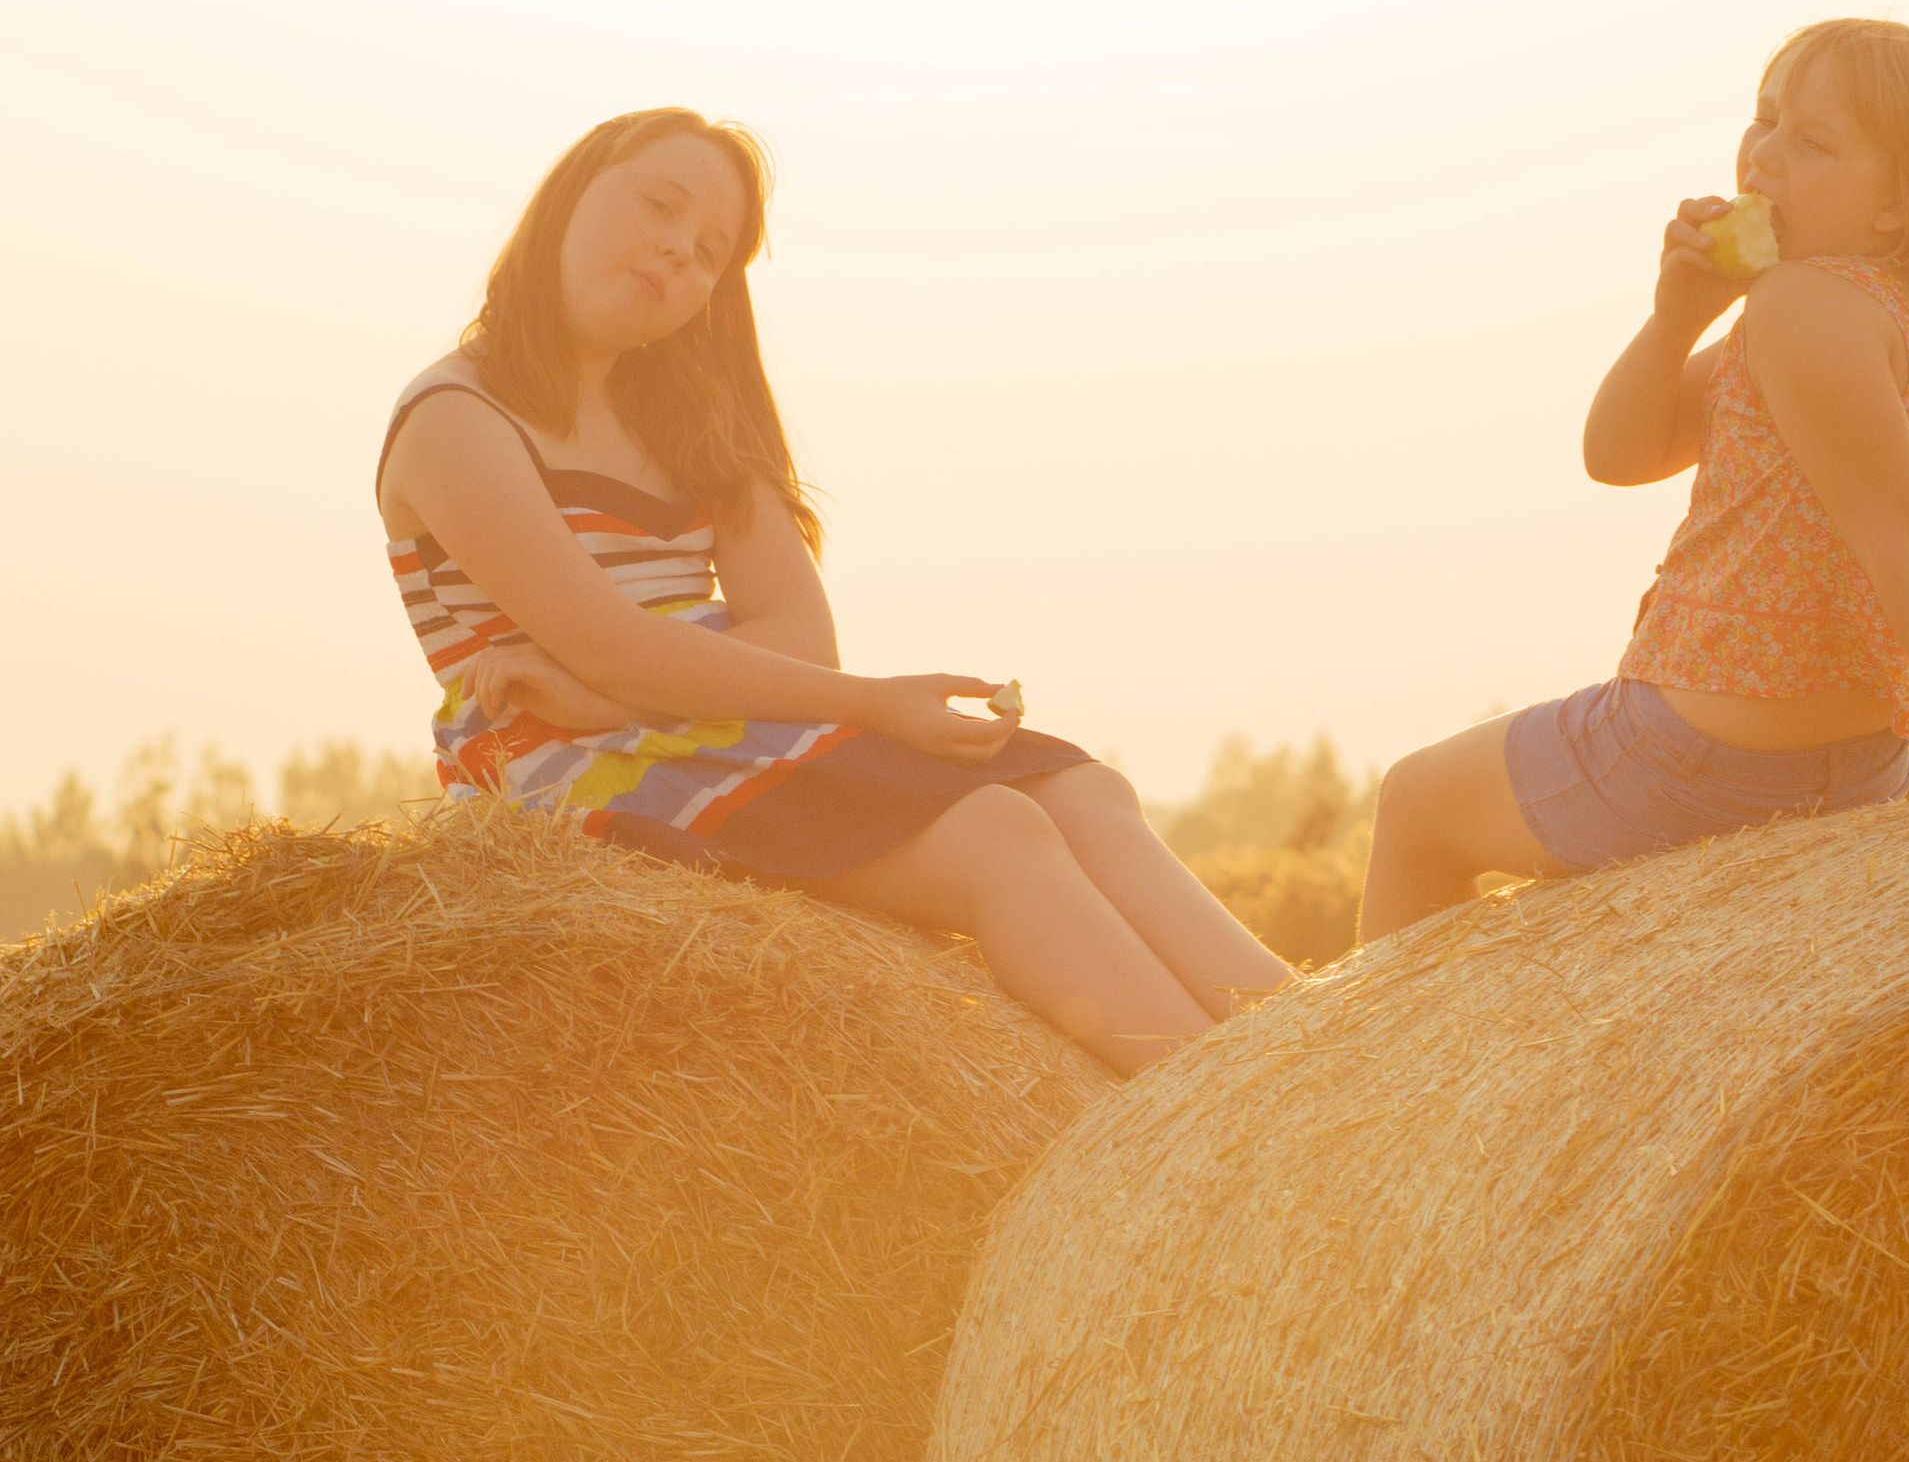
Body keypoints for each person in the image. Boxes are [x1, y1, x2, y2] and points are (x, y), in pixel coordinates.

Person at [377, 107, 1289, 1071]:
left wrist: (625, 690)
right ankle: (1226, 1122)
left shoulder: (692, 424)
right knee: (996, 833)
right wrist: (873, 707)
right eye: (659, 207)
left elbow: (802, 635)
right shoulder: (456, 418)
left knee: (1080, 787)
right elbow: (613, 642)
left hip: (701, 717)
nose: (676, 254)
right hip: (569, 764)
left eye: (708, 253)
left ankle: (1321, 1058)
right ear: (571, 190)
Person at [1357, 19, 1909, 940]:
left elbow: (1904, 543)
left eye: (1815, 141)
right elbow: (1621, 455)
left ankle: (1385, 1085)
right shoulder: (1887, 318)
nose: (1767, 157)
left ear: (1897, 206)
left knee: (1413, 805)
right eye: (1766, 120)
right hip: (1863, 765)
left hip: (1694, 751)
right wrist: (1676, 318)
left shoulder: (1799, 306)